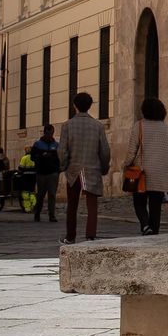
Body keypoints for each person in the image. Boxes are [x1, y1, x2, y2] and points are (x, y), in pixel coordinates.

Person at [58, 92, 111, 244]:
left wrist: (63, 165)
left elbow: (62, 150)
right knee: (92, 205)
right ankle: (91, 234)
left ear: (75, 105)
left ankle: (70, 236)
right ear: (89, 106)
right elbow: (105, 150)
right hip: (92, 168)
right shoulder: (98, 126)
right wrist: (104, 166)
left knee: (72, 205)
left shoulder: (67, 125)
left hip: (74, 169)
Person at [124, 97, 168, 236]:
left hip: (141, 173)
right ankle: (154, 232)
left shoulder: (139, 125)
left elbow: (132, 149)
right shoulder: (165, 128)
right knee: (156, 205)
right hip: (160, 173)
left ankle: (145, 225)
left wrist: (126, 164)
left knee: (139, 202)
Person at [30, 123, 60, 223]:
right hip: (41, 173)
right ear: (44, 133)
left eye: (51, 134)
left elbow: (59, 159)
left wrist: (58, 169)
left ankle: (52, 215)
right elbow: (32, 157)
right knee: (40, 195)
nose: (50, 136)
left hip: (53, 173)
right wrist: (42, 156)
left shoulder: (56, 145)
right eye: (48, 133)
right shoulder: (37, 144)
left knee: (52, 194)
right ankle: (37, 213)